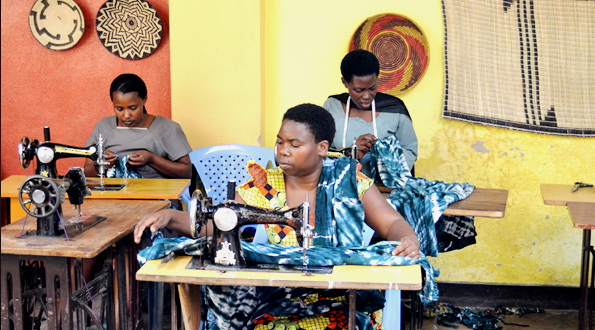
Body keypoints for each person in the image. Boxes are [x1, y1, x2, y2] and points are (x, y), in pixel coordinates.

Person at [134, 104, 420, 330]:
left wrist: (407, 238)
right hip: (274, 299)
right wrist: (170, 217)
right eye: (280, 141)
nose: (283, 150)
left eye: (295, 145)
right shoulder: (264, 185)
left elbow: (391, 222)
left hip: (340, 299)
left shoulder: (348, 181)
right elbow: (218, 222)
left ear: (321, 148)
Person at [323, 49, 418, 178]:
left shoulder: (395, 109)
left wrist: (383, 156)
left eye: (372, 88)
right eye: (359, 90)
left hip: (384, 191)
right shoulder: (332, 106)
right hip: (341, 187)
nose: (367, 96)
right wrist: (351, 153)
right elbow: (319, 151)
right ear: (345, 83)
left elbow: (410, 151)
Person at [84, 73, 192, 180]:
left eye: (133, 108)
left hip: (157, 194)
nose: (126, 115)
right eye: (119, 109)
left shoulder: (166, 128)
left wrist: (152, 159)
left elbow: (187, 171)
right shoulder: (104, 127)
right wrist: (102, 163)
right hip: (115, 194)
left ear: (144, 100)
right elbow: (87, 172)